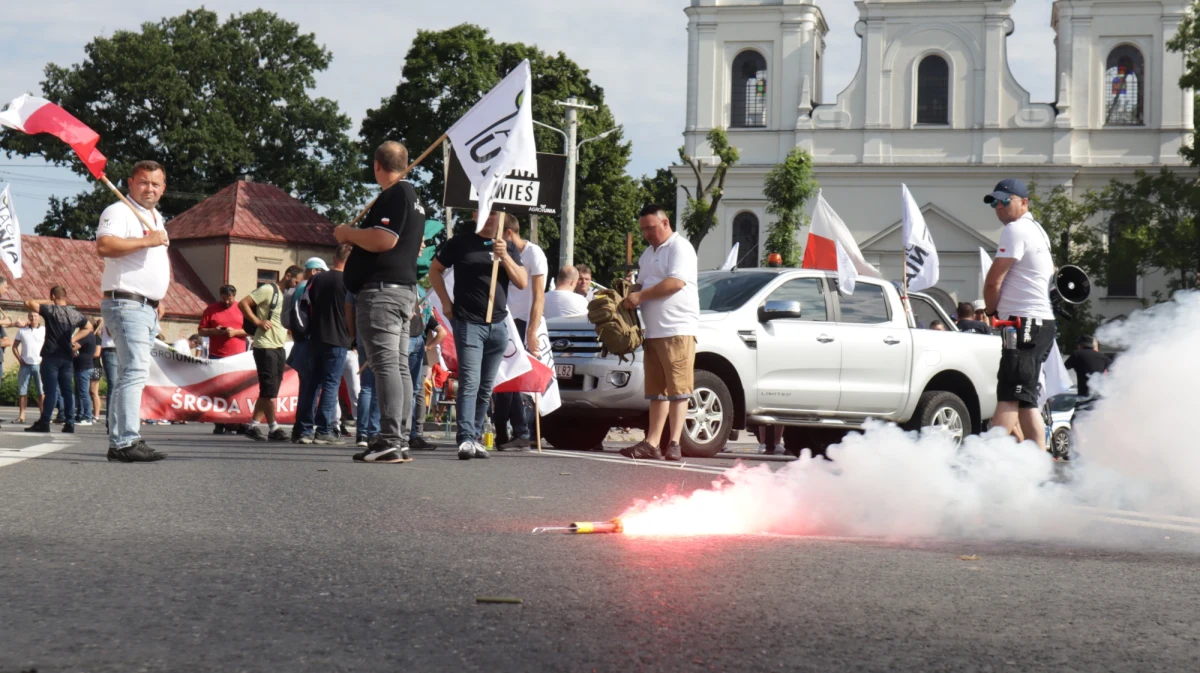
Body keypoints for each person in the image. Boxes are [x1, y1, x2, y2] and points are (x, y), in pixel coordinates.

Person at [334, 141, 425, 464]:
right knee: (398, 367)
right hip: (402, 291)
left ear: (377, 166)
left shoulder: (395, 194)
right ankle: (396, 438)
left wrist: (348, 233)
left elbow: (384, 239)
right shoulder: (412, 198)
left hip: (384, 293)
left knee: (387, 366)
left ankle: (390, 438)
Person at [429, 210, 528, 460]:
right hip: (469, 323)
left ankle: (474, 435)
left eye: (495, 213)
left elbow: (522, 282)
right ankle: (465, 438)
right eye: (486, 212)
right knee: (470, 382)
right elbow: (435, 270)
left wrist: (504, 256)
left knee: (486, 386)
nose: (490, 217)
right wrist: (446, 303)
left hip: (497, 325)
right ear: (476, 214)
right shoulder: (460, 243)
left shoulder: (506, 246)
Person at [96, 160, 172, 461]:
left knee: (131, 372)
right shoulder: (119, 211)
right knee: (135, 371)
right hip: (127, 301)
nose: (150, 188)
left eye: (155, 184)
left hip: (145, 305)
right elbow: (104, 246)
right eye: (143, 182)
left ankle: (120, 441)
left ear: (163, 188)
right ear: (130, 183)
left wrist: (156, 297)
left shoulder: (155, 216)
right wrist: (146, 241)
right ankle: (127, 440)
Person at [619, 204, 700, 462]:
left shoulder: (680, 247)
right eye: (643, 230)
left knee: (678, 389)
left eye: (650, 228)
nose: (646, 234)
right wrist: (625, 293)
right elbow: (643, 283)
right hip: (653, 330)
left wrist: (640, 295)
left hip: (677, 328)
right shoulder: (647, 254)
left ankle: (674, 443)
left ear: (665, 223)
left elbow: (676, 282)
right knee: (657, 390)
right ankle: (652, 443)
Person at [982, 178, 1057, 453]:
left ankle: (986, 458)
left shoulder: (1015, 230)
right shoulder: (1037, 229)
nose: (998, 207)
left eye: (1005, 201)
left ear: (1024, 202)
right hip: (1039, 322)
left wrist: (991, 312)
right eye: (994, 202)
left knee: (1010, 395)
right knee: (1026, 399)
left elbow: (993, 282)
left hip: (1024, 321)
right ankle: (1038, 462)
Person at [492, 214, 547, 451]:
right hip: (505, 319)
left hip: (524, 322)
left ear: (509, 234)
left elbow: (539, 296)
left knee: (514, 378)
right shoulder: (499, 252)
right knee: (503, 378)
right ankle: (503, 431)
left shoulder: (534, 254)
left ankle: (521, 431)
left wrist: (532, 332)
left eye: (497, 233)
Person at [295, 244, 353, 444]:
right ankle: (324, 429)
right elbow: (353, 311)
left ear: (335, 257)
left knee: (312, 384)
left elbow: (303, 304)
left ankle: (304, 430)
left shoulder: (316, 279)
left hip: (314, 337)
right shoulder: (350, 281)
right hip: (338, 338)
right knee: (330, 384)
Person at [240, 265, 301, 441]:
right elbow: (243, 303)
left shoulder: (286, 295)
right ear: (287, 275)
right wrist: (258, 321)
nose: (296, 285)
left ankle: (252, 426)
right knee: (269, 390)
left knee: (269, 390)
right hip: (265, 346)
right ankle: (274, 427)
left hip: (278, 347)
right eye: (295, 281)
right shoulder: (268, 289)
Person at [23, 286, 93, 434]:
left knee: (50, 390)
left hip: (51, 355)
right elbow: (89, 327)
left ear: (53, 296)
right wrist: (73, 339)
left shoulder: (51, 310)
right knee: (67, 391)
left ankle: (45, 421)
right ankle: (69, 423)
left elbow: (28, 302)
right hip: (66, 357)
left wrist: (49, 301)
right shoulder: (74, 314)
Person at [198, 284, 249, 434]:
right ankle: (220, 422)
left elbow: (252, 330)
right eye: (224, 298)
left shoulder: (242, 308)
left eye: (230, 298)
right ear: (220, 296)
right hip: (217, 356)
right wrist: (214, 331)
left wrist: (236, 332)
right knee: (219, 391)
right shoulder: (211, 309)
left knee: (239, 390)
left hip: (238, 357)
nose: (227, 302)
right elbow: (200, 331)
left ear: (235, 296)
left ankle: (239, 422)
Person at [408, 299, 447, 450]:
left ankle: (411, 431)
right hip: (421, 356)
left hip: (416, 354)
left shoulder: (420, 314)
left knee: (413, 392)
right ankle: (417, 431)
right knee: (417, 392)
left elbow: (442, 332)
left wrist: (428, 346)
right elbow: (442, 332)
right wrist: (428, 347)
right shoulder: (425, 314)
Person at [13, 312, 45, 423]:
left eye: (35, 316)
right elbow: (14, 347)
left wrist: (45, 360)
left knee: (41, 392)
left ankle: (43, 415)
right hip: (25, 365)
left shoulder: (44, 330)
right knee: (22, 391)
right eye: (31, 316)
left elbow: (49, 346)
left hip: (39, 364)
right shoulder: (22, 330)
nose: (33, 318)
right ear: (28, 317)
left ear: (39, 317)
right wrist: (20, 359)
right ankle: (22, 416)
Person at [73, 319, 99, 425]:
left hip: (84, 368)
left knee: (84, 394)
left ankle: (87, 417)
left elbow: (74, 346)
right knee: (81, 393)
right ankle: (81, 415)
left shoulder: (87, 335)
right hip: (83, 367)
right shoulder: (91, 335)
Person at [87, 319, 104, 423]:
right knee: (87, 391)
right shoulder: (87, 336)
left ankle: (96, 415)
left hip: (95, 366)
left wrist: (83, 355)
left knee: (93, 391)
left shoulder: (97, 337)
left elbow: (97, 353)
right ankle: (88, 413)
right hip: (86, 365)